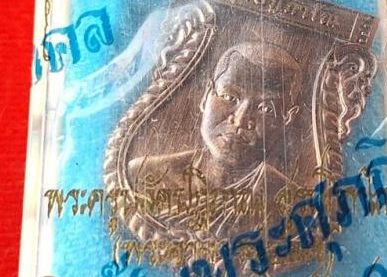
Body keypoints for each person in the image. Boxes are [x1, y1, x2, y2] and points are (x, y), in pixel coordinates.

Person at [127, 40, 303, 240]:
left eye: (265, 108)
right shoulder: (142, 175)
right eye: (230, 97)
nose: (240, 120)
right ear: (206, 96)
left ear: (287, 119)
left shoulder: (293, 206)